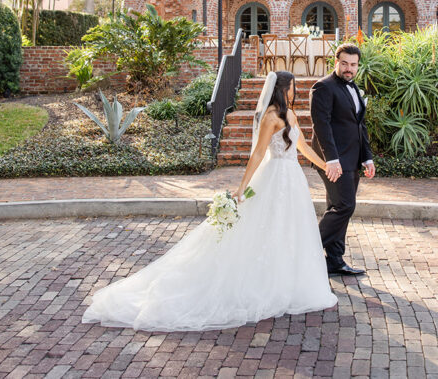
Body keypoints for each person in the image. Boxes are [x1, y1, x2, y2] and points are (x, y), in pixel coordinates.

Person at [82, 70, 337, 332]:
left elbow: (304, 147)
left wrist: (326, 166)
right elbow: (259, 152)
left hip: (293, 180)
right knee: (266, 229)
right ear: (283, 89)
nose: (295, 91)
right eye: (293, 87)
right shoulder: (270, 117)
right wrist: (242, 187)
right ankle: (264, 282)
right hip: (274, 178)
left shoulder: (291, 114)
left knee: (290, 231)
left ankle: (288, 281)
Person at [309, 43, 376, 276]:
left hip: (352, 158)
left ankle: (335, 260)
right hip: (333, 160)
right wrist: (331, 159)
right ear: (336, 62)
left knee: (337, 207)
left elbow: (360, 125)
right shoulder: (323, 87)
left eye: (353, 65)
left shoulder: (354, 88)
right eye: (344, 63)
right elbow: (321, 126)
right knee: (344, 206)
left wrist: (367, 157)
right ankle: (307, 252)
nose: (349, 68)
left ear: (358, 65)